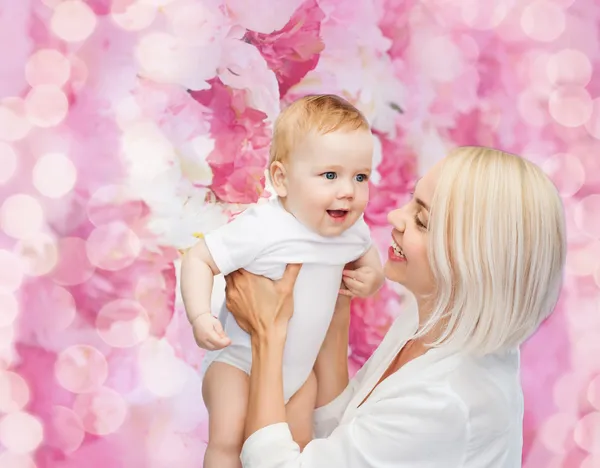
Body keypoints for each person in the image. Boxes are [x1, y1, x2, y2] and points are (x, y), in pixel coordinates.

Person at [223, 146, 567, 467]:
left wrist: (267, 333)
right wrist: (338, 307)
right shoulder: (438, 321)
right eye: (412, 202)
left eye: (422, 221)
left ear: (475, 263)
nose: (395, 217)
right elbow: (346, 430)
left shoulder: (446, 401)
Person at [180, 95, 386, 468]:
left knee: (297, 449)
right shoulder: (265, 226)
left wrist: (370, 280)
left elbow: (371, 263)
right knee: (228, 443)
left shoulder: (351, 230)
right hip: (238, 364)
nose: (348, 190)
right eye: (330, 175)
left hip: (298, 375)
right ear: (281, 179)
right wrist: (199, 316)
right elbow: (200, 258)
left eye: (361, 176)